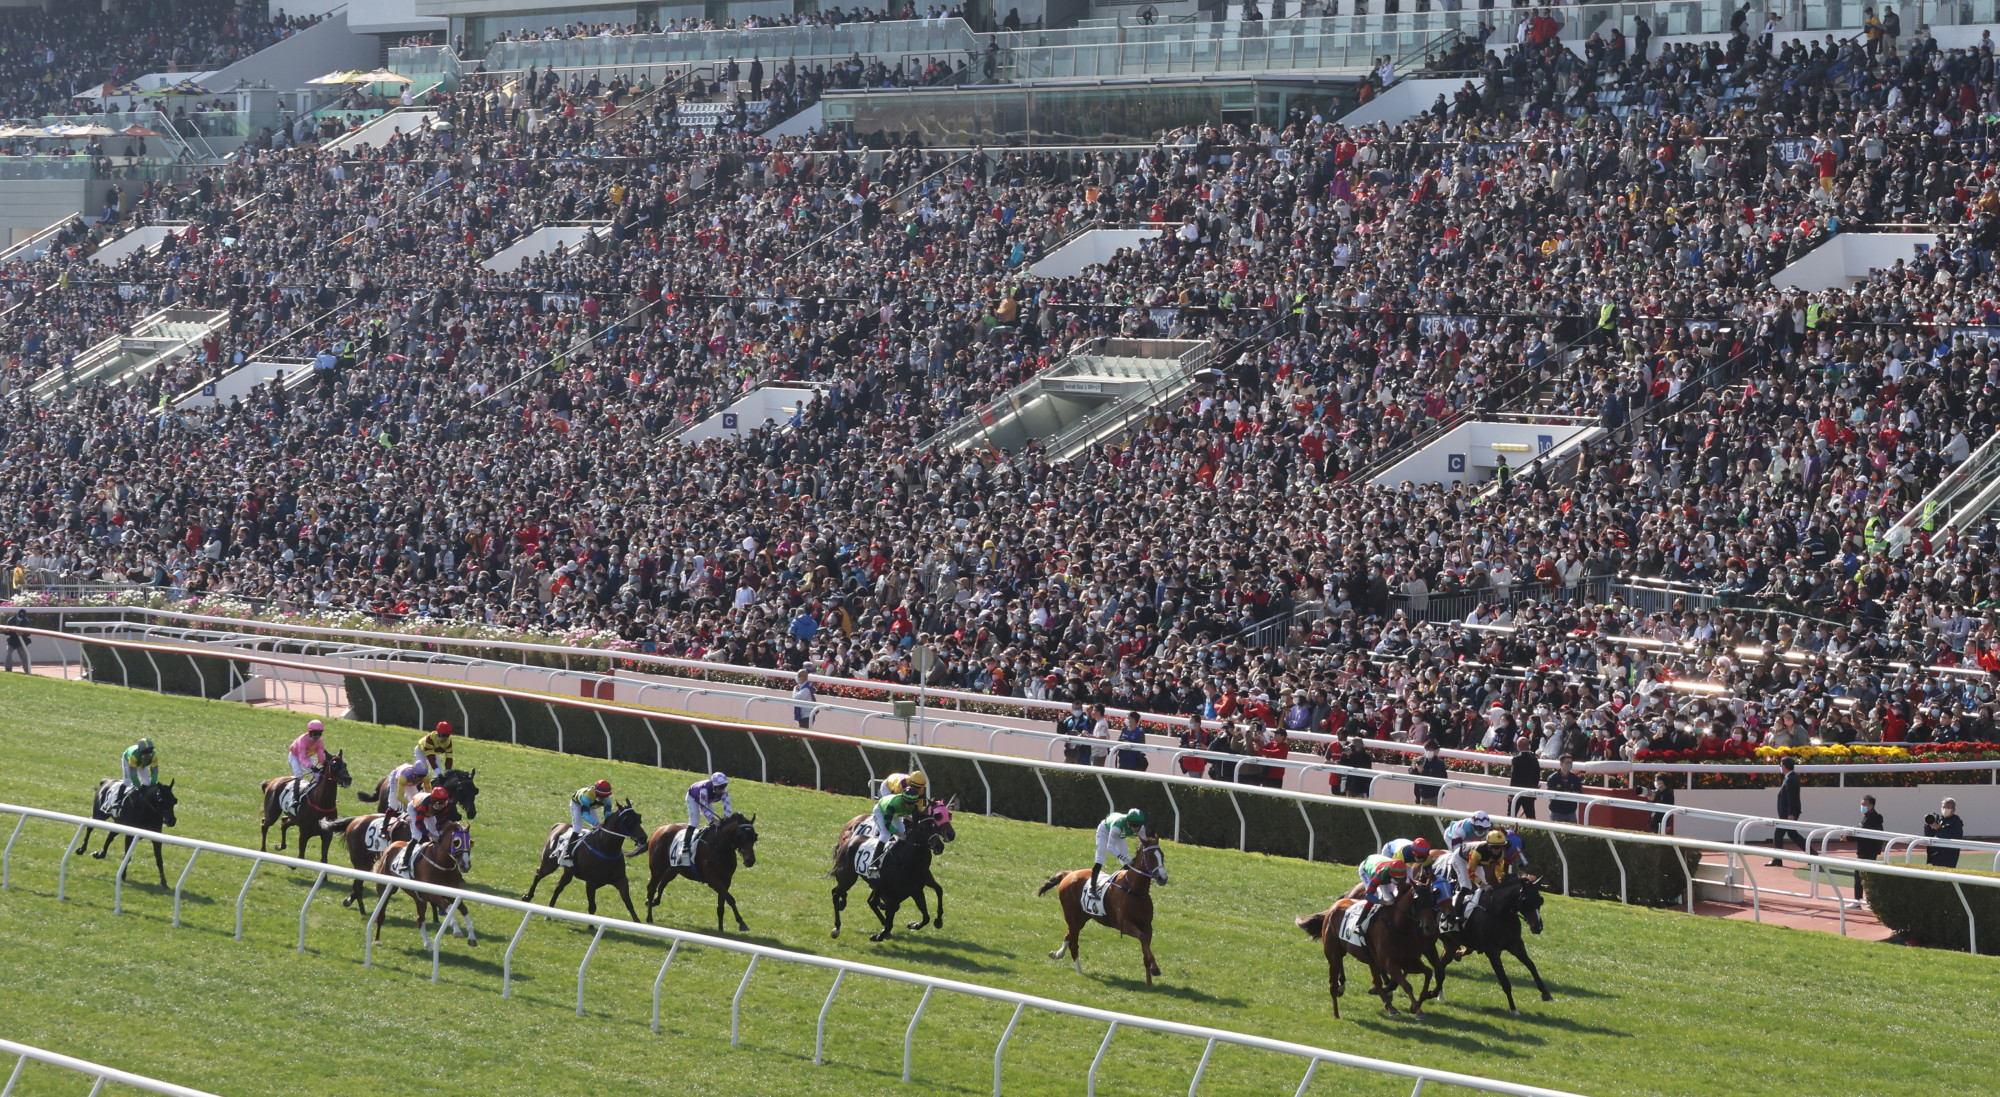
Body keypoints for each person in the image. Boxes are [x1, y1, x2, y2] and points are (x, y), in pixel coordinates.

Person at [1348, 853, 1407, 943]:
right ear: (1391, 875)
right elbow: (1369, 896)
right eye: (1397, 879)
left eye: (1402, 879)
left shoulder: (1400, 873)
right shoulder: (1379, 876)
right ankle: (1359, 924)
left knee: (1392, 896)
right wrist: (1384, 902)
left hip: (1382, 864)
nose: (1400, 881)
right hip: (1367, 869)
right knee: (1375, 896)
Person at [1091, 808, 1146, 890]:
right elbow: (1110, 847)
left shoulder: (1141, 828)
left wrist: (1136, 858)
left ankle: (1130, 885)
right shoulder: (1117, 826)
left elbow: (1143, 845)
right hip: (1105, 830)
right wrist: (1123, 858)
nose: (1136, 829)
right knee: (1101, 857)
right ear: (1127, 822)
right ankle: (1092, 887)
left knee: (1126, 862)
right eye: (1134, 825)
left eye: (1138, 826)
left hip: (1121, 834)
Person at [1850, 794, 1885, 908]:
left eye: (1864, 804)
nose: (1862, 806)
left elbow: (1862, 832)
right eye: (1861, 804)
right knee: (1865, 875)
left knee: (1861, 875)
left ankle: (1861, 901)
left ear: (1871, 805)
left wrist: (1848, 837)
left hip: (1868, 850)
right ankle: (1868, 901)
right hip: (1869, 850)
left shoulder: (1871, 817)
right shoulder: (1869, 816)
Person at [1769, 756, 1804, 866]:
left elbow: (1791, 798)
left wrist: (1791, 814)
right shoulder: (1790, 778)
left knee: (1778, 835)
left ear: (1784, 766)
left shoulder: (1790, 779)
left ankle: (1777, 859)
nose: (1780, 767)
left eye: (1781, 765)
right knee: (1792, 834)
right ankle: (1813, 855)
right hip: (1787, 813)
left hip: (1787, 814)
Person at [1544, 753, 1584, 823]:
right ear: (1561, 764)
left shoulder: (1575, 778)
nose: (1569, 765)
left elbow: (1579, 792)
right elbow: (1550, 793)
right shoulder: (1552, 778)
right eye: (1567, 763)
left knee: (1572, 833)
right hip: (1556, 812)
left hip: (1571, 813)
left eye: (1571, 763)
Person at [1925, 798, 1964, 867]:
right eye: (1943, 807)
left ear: (1954, 810)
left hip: (1948, 857)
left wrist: (1938, 829)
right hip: (1935, 855)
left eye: (1948, 808)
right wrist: (1928, 824)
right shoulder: (1939, 819)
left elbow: (1951, 838)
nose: (1945, 809)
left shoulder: (1956, 822)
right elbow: (1928, 835)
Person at [1508, 734, 1540, 818]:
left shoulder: (1516, 760)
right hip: (1529, 792)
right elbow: (1537, 776)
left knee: (1511, 815)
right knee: (1531, 816)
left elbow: (1514, 777)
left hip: (1516, 792)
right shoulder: (1534, 759)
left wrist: (1511, 794)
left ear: (1518, 746)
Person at [1410, 740, 1447, 806]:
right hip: (1420, 794)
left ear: (1435, 751)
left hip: (1433, 796)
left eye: (1430, 750)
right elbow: (1413, 775)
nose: (1428, 751)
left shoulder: (1439, 763)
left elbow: (1440, 778)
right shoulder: (1422, 760)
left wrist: (1423, 771)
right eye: (1427, 749)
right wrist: (1414, 767)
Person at [3, 607, 30, 673]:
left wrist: (23, 633)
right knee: (8, 654)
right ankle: (8, 669)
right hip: (12, 640)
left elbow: (29, 633)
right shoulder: (11, 620)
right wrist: (6, 631)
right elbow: (6, 632)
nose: (20, 618)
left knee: (24, 656)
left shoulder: (26, 621)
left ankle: (27, 671)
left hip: (21, 641)